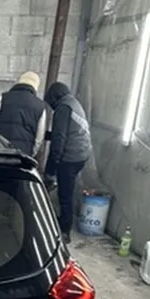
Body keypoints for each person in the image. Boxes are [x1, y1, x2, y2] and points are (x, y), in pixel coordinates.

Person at [44, 82, 92, 244]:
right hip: (82, 154)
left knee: (65, 194)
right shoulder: (73, 103)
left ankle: (65, 231)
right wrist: (45, 135)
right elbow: (64, 132)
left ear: (54, 97)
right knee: (67, 191)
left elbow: (59, 140)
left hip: (71, 156)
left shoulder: (63, 108)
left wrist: (50, 170)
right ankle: (63, 221)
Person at [0, 71, 48, 169]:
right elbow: (39, 137)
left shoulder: (3, 98)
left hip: (0, 149)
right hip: (23, 154)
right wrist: (31, 152)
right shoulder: (40, 106)